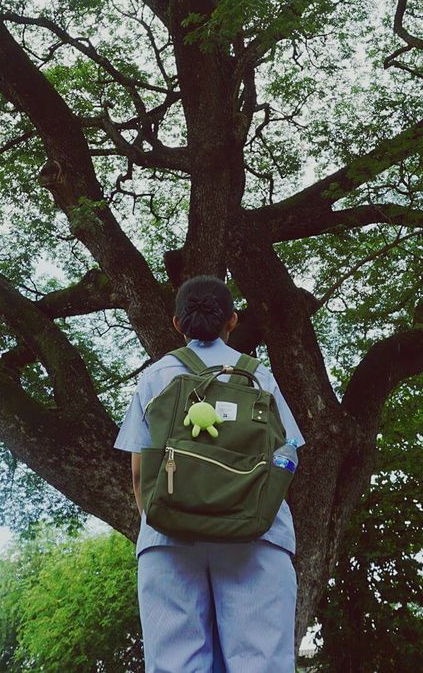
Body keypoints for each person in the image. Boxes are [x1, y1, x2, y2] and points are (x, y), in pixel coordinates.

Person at [114, 275, 306, 672]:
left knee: (175, 664)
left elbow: (138, 474)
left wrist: (167, 519)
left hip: (170, 539)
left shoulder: (154, 378)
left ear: (177, 324)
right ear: (232, 321)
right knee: (261, 662)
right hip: (255, 534)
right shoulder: (259, 377)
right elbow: (285, 454)